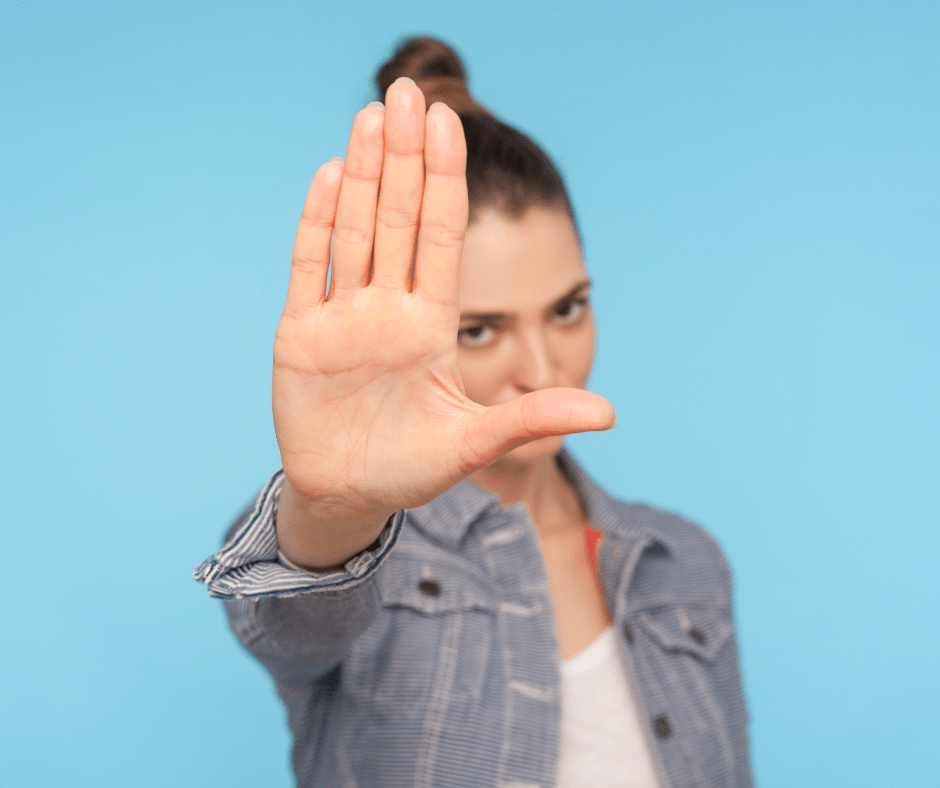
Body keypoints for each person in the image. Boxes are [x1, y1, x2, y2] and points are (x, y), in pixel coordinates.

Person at [194, 37, 752, 788]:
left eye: (567, 309)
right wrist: (331, 510)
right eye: (481, 330)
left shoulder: (683, 563)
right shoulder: (361, 558)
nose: (543, 372)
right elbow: (283, 623)